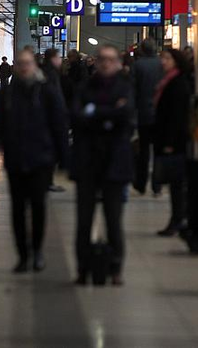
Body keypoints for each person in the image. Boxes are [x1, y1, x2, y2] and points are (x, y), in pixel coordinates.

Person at [0, 48, 68, 273]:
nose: (24, 67)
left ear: (34, 65)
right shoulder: (7, 94)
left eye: (27, 63)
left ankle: (38, 251)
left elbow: (59, 125)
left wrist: (64, 157)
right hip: (15, 159)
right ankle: (23, 254)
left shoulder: (47, 92)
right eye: (20, 63)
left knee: (39, 206)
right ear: (15, 66)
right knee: (18, 209)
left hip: (41, 158)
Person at [71, 45, 135, 285]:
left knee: (113, 220)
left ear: (118, 63)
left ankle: (116, 267)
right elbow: (76, 117)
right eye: (103, 60)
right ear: (96, 63)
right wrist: (110, 114)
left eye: (111, 59)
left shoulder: (126, 88)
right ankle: (82, 268)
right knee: (83, 221)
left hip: (115, 164)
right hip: (87, 163)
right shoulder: (85, 87)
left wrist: (94, 112)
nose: (106, 64)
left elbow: (126, 115)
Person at [153, 48, 193, 236]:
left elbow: (177, 116)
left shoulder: (177, 84)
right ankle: (177, 218)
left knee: (176, 183)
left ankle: (178, 219)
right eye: (162, 58)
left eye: (167, 58)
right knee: (175, 183)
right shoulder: (168, 81)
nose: (163, 62)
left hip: (174, 140)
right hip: (167, 137)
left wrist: (169, 142)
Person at [132, 38, 163, 195]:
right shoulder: (162, 64)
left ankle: (141, 183)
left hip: (143, 113)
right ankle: (157, 186)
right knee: (158, 150)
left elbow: (133, 89)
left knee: (143, 150)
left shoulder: (138, 65)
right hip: (160, 112)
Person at [43, 48, 67, 192]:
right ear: (52, 58)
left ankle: (46, 181)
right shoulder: (51, 74)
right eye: (58, 57)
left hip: (48, 119)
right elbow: (55, 98)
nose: (60, 60)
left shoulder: (46, 72)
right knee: (51, 152)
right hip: (52, 119)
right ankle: (48, 182)